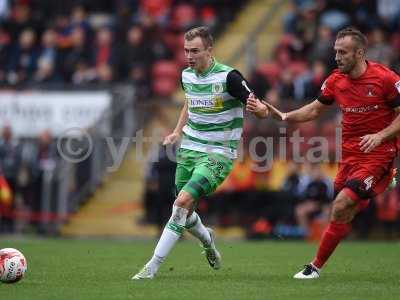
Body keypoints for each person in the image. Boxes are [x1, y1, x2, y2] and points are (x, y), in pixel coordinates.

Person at [246, 27, 400, 279]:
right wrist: (285, 116)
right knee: (342, 210)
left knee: (341, 205)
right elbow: (315, 109)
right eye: (335, 52)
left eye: (343, 52)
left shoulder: (385, 79)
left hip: (378, 152)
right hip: (349, 157)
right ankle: (382, 182)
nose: (337, 57)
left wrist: (381, 135)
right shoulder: (335, 80)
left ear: (360, 53)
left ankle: (314, 267)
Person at [132, 26, 266, 279]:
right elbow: (189, 101)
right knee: (185, 211)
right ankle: (208, 241)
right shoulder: (186, 76)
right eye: (186, 51)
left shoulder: (230, 78)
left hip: (219, 153)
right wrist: (176, 131)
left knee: (180, 203)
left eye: (195, 51)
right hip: (190, 148)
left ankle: (151, 267)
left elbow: (262, 110)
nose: (189, 56)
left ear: (209, 50)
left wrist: (258, 109)